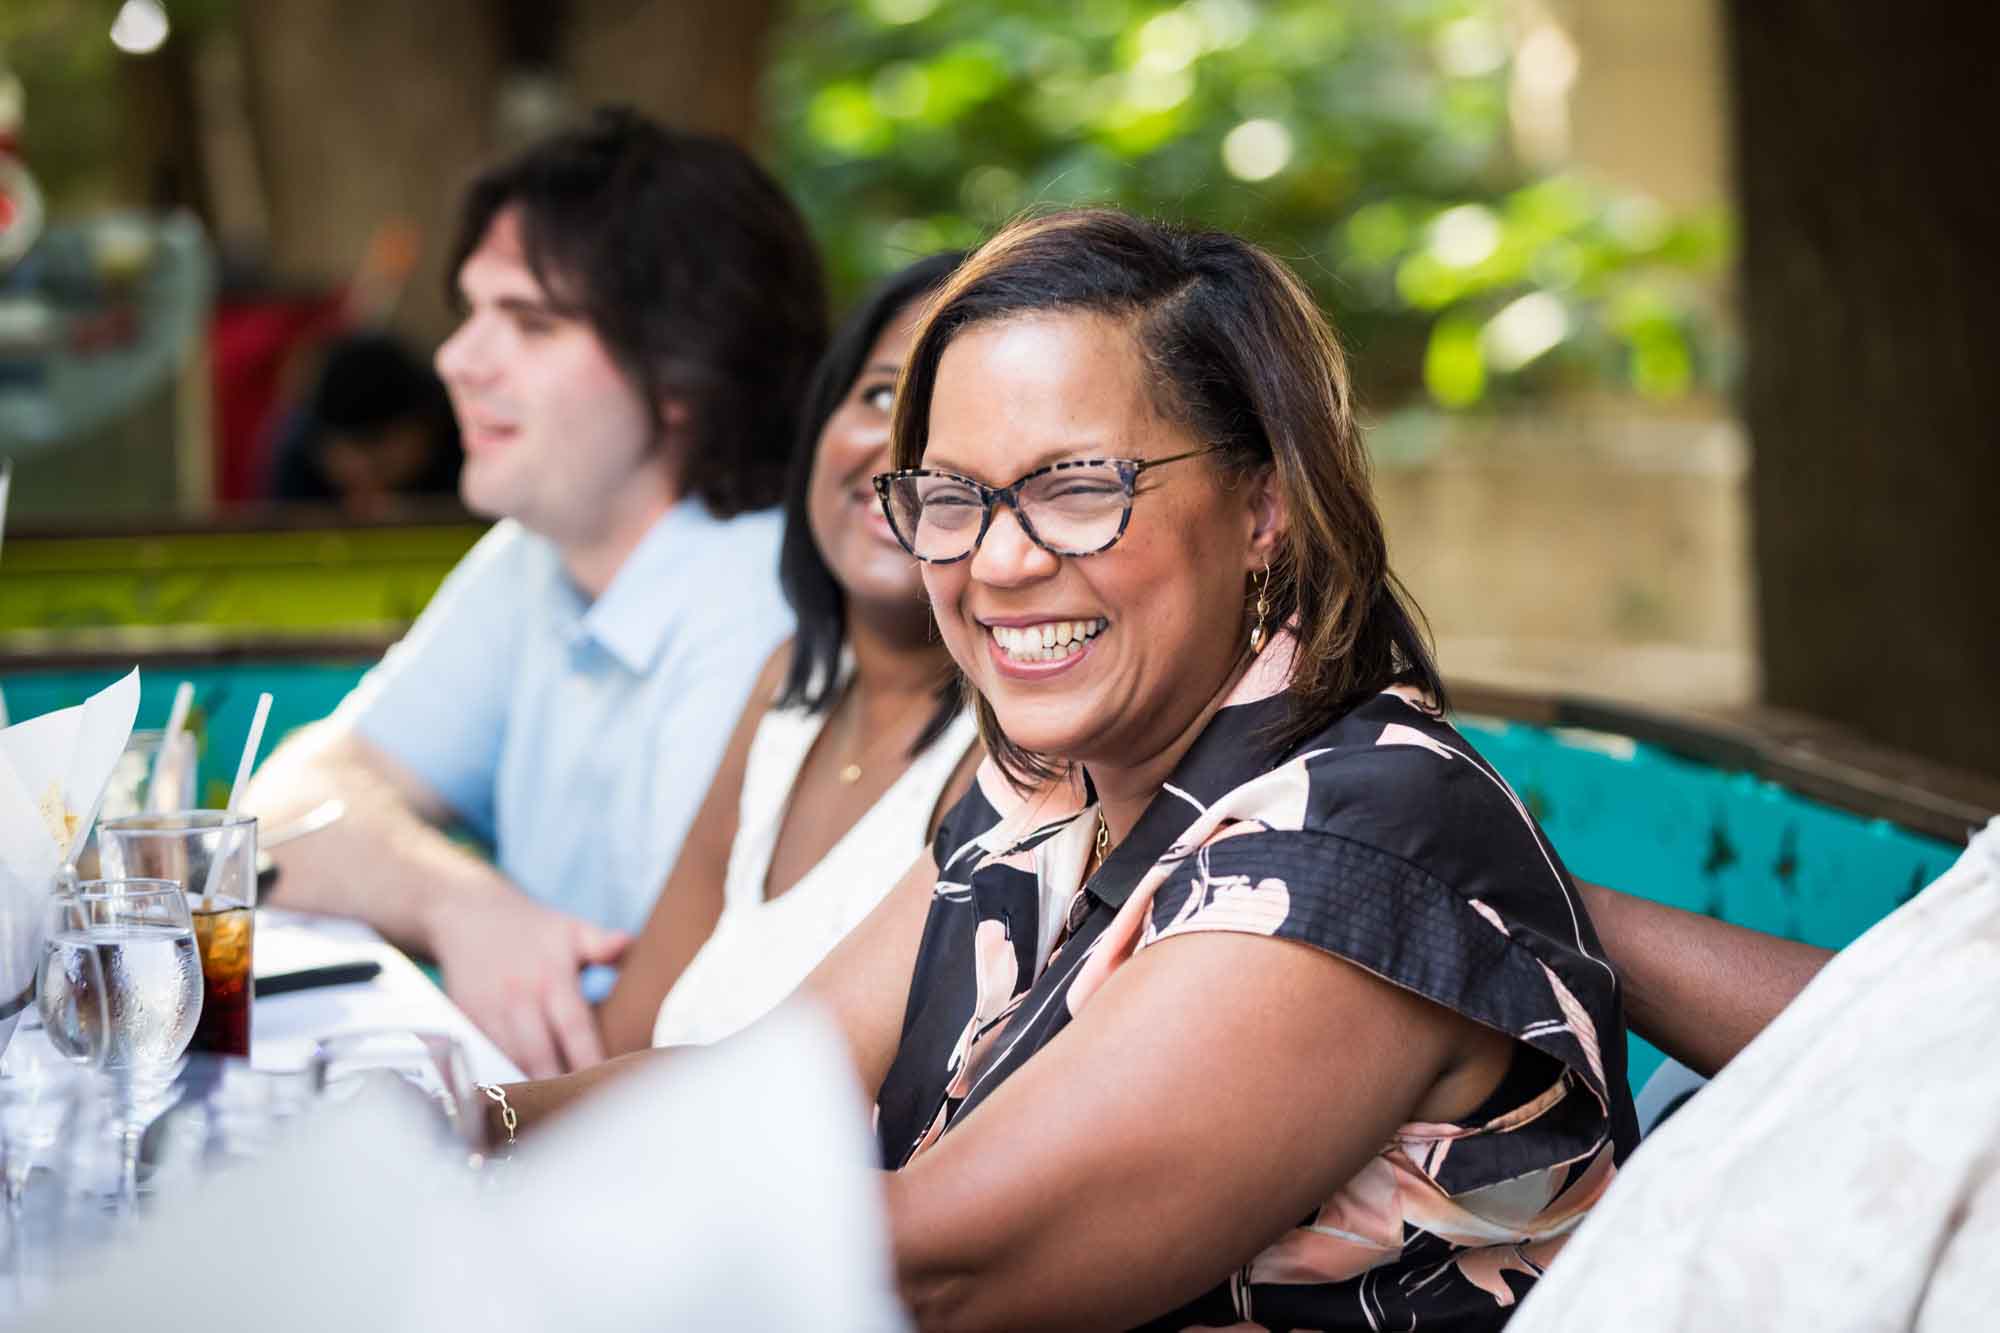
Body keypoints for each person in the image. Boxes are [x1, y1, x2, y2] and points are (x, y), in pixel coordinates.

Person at [494, 209, 1638, 1330]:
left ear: (1262, 506)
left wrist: (431, 1213)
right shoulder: (1050, 784)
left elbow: (934, 1271)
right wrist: (457, 1118)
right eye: (950, 498)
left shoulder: (1349, 838)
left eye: (1079, 487)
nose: (998, 561)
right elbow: (764, 1092)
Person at [244, 108, 827, 1078]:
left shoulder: (763, 602)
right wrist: (461, 903)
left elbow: (689, 1032)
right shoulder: (536, 552)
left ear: (686, 366)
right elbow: (282, 808)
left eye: (529, 321)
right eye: (472, 312)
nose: (456, 358)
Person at [597, 253, 981, 1057]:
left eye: (955, 422)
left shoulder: (1010, 758)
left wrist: (487, 1116)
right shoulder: (789, 683)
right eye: (881, 395)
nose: (896, 453)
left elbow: (798, 1094)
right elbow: (629, 1031)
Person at [266, 331, 462, 515]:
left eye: (382, 463)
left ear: (425, 427)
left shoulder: (464, 441)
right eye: (351, 451)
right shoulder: (297, 454)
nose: (364, 472)